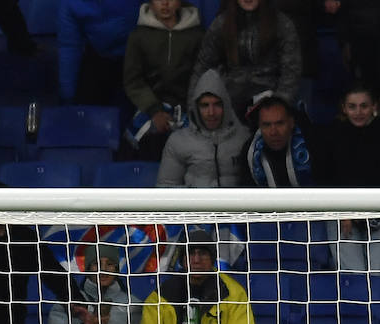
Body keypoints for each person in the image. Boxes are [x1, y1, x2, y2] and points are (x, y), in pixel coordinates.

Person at [131, 228, 256, 324]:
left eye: (203, 254)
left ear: (212, 259)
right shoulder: (160, 297)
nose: (196, 260)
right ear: (183, 260)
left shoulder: (233, 294)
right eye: (191, 253)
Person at [319, 85, 380, 272]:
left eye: (364, 106)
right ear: (344, 108)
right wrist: (343, 212)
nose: (358, 112)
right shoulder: (331, 135)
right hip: (342, 216)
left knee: (376, 278)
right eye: (352, 106)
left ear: (374, 106)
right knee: (355, 277)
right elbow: (325, 180)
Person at [190, 0, 300, 119]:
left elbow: (291, 72)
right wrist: (193, 110)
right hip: (230, 104)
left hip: (270, 102)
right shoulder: (222, 23)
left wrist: (278, 105)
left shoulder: (281, 23)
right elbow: (202, 67)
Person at [123, 0, 204, 160]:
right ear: (151, 4)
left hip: (188, 107)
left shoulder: (197, 35)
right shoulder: (138, 37)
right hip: (151, 107)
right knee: (137, 144)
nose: (165, 3)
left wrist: (190, 108)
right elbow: (133, 81)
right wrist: (155, 111)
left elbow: (202, 76)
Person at [156, 68, 249, 187]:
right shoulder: (178, 142)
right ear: (196, 108)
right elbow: (165, 188)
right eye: (205, 105)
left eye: (217, 104)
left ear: (226, 105)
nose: (211, 112)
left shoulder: (244, 138)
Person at [58, 0, 141, 105]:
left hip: (139, 55)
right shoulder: (70, 3)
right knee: (85, 109)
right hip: (99, 57)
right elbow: (69, 46)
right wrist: (68, 96)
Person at [239, 94, 316, 187]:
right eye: (266, 125)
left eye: (280, 123)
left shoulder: (313, 143)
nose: (273, 132)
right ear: (259, 126)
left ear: (291, 123)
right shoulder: (249, 152)